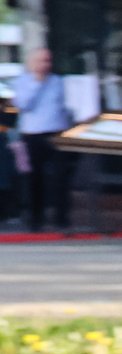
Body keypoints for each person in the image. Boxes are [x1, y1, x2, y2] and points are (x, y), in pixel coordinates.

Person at [15, 47, 70, 233]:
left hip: (56, 134)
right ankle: (35, 219)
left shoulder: (58, 82)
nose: (45, 65)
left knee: (61, 178)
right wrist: (37, 83)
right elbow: (23, 105)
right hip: (33, 135)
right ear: (31, 63)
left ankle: (62, 219)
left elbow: (66, 106)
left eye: (47, 61)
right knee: (34, 179)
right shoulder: (22, 82)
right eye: (41, 61)